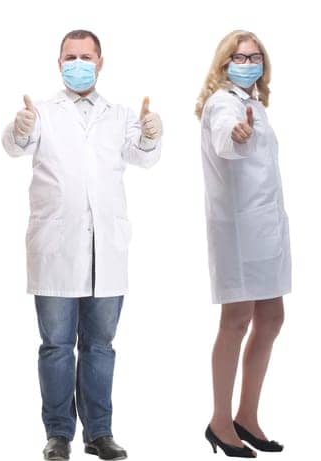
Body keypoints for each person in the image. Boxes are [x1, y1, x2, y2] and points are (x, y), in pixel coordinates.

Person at [1, 29, 163, 461]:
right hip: (55, 248)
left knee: (100, 346)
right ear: (59, 63)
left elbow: (145, 157)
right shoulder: (43, 112)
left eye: (86, 56)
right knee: (55, 346)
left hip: (106, 249)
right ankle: (58, 435)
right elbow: (14, 146)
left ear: (100, 62)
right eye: (70, 57)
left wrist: (150, 132)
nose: (78, 63)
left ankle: (100, 433)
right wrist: (18, 129)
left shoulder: (120, 113)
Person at [195, 30, 288, 459]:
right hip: (237, 230)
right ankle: (219, 420)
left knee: (270, 317)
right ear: (223, 62)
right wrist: (237, 135)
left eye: (255, 57)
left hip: (267, 229)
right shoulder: (222, 104)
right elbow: (225, 138)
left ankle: (246, 416)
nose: (248, 62)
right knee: (237, 319)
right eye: (239, 56)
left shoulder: (256, 106)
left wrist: (248, 127)